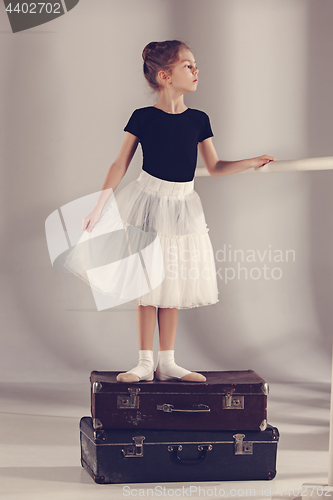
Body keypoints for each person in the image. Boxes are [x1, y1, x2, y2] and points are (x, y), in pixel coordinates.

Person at [68, 40, 276, 384]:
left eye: (195, 65)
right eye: (188, 66)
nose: (196, 71)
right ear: (165, 76)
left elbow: (216, 165)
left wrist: (252, 162)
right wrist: (99, 206)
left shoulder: (199, 119)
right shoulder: (143, 117)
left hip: (183, 206)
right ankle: (144, 361)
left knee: (173, 280)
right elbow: (120, 163)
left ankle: (168, 360)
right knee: (147, 282)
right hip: (148, 201)